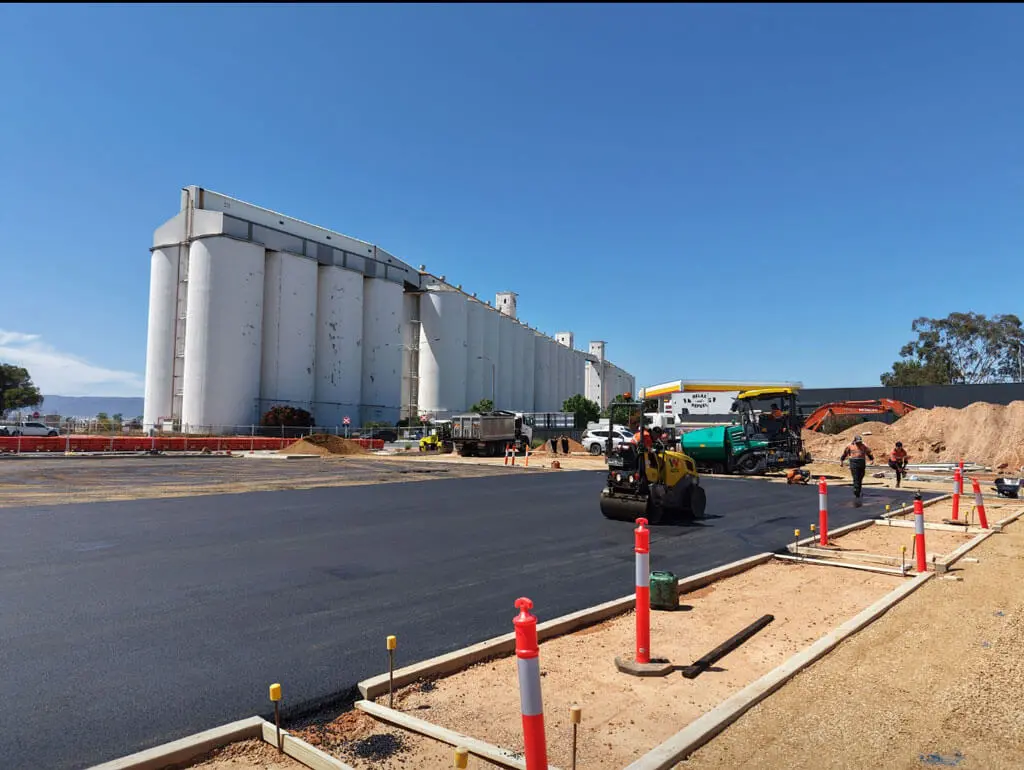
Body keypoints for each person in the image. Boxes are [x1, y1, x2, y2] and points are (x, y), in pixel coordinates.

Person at [840, 435, 875, 506]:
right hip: (853, 462)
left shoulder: (864, 446)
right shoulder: (850, 446)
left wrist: (871, 459)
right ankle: (856, 491)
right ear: (855, 441)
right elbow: (845, 453)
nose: (859, 443)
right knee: (856, 477)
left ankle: (858, 489)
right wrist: (841, 460)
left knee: (861, 476)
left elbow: (869, 452)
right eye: (858, 442)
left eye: (860, 442)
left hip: (861, 462)